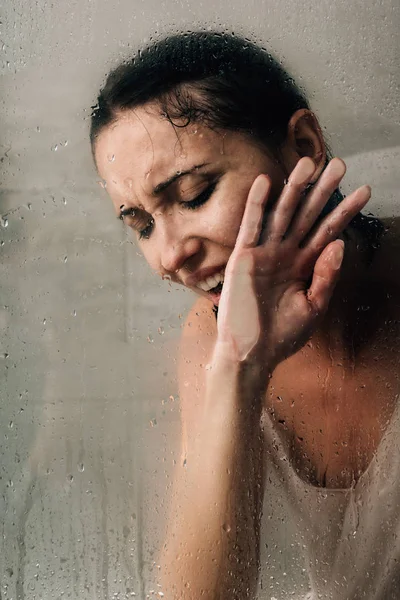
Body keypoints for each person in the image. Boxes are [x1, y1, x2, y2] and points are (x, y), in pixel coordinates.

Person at [90, 31, 400, 599]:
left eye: (193, 193)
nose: (168, 255)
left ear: (304, 147)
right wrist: (240, 368)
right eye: (141, 224)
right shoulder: (211, 342)